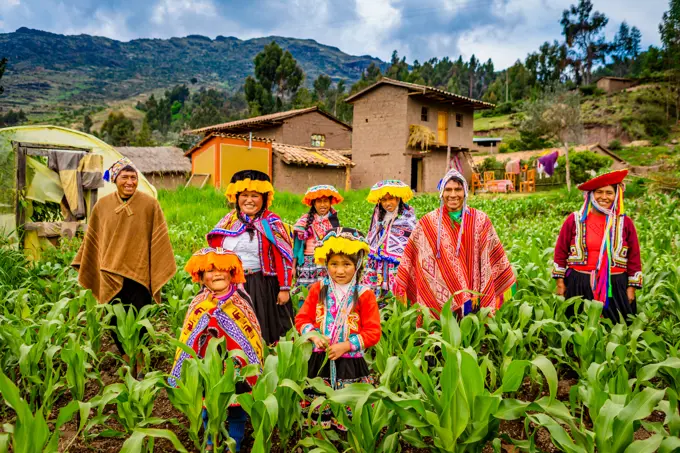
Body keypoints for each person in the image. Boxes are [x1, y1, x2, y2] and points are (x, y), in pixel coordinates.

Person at [72, 157, 176, 375]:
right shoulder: (103, 206)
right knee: (113, 320)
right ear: (115, 179)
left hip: (140, 275)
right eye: (125, 177)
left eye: (134, 177)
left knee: (140, 320)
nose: (130, 182)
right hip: (109, 273)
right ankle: (126, 357)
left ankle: (140, 361)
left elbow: (159, 239)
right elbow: (94, 239)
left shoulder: (149, 205)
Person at [169, 247, 264, 452]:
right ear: (201, 277)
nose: (217, 274)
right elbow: (189, 335)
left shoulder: (241, 302)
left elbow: (252, 336)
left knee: (237, 409)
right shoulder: (199, 303)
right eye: (210, 271)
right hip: (207, 367)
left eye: (222, 269)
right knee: (207, 406)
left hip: (236, 367)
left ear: (232, 272)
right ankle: (211, 439)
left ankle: (235, 443)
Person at [394, 168, 516, 319]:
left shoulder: (480, 220)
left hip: (473, 297)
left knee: (470, 334)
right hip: (436, 297)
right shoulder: (428, 222)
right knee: (440, 336)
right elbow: (411, 257)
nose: (453, 195)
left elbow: (494, 256)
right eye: (448, 190)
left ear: (465, 192)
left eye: (458, 189)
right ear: (441, 193)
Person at [295, 228, 381, 430]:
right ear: (326, 263)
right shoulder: (319, 288)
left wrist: (347, 345)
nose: (339, 271)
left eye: (347, 264)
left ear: (357, 264)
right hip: (319, 360)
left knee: (348, 415)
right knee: (318, 412)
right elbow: (302, 318)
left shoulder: (364, 294)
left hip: (350, 362)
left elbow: (373, 332)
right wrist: (314, 336)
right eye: (334, 264)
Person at [207, 170, 294, 345]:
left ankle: (262, 364)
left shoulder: (272, 223)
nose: (249, 200)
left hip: (262, 285)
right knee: (231, 329)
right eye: (244, 195)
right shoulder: (228, 222)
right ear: (236, 197)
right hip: (229, 285)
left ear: (264, 198)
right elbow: (215, 254)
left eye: (254, 195)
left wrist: (284, 288)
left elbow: (283, 258)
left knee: (261, 328)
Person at [552, 169, 642, 323]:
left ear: (616, 196)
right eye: (599, 192)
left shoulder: (624, 222)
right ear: (591, 195)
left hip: (615, 286)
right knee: (577, 327)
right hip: (579, 284)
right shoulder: (575, 220)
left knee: (617, 328)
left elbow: (634, 257)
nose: (604, 197)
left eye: (609, 193)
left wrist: (631, 288)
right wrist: (560, 283)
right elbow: (561, 251)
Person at [361, 180, 416, 306]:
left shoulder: (407, 217)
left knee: (397, 291)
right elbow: (372, 236)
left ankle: (398, 312)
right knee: (379, 290)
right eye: (384, 200)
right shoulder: (378, 216)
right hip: (379, 262)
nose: (387, 203)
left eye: (391, 198)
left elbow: (411, 239)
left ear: (398, 198)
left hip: (397, 263)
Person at [292, 185, 343, 302]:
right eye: (319, 201)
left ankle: (323, 318)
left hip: (326, 263)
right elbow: (297, 245)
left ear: (330, 203)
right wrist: (293, 266)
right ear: (313, 203)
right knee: (304, 295)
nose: (323, 205)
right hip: (307, 264)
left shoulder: (334, 222)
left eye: (326, 201)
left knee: (324, 294)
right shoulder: (304, 221)